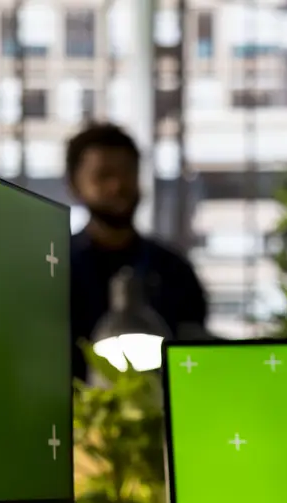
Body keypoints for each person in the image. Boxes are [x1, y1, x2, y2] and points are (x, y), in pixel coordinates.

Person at [66, 122, 208, 381]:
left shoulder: (175, 272)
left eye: (127, 172)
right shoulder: (55, 269)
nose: (117, 185)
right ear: (75, 185)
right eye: (103, 175)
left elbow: (194, 359)